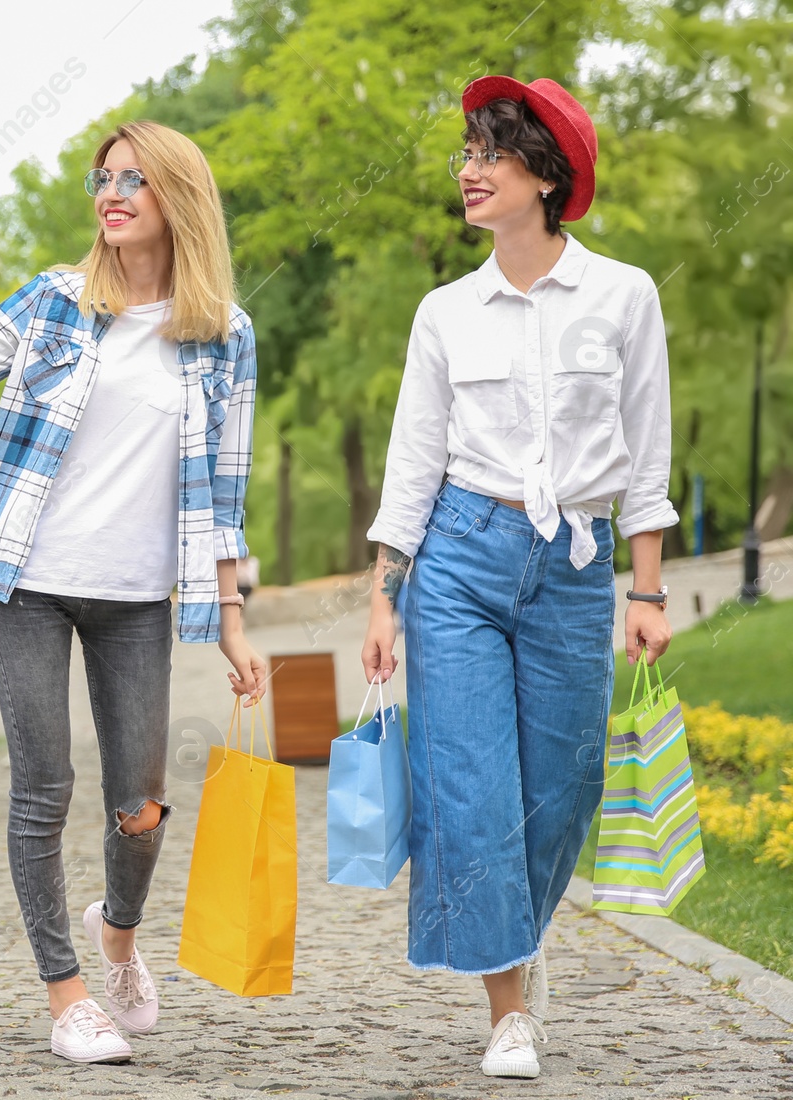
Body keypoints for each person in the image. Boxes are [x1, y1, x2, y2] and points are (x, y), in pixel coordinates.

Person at [0, 119, 264, 1065]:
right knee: (43, 788)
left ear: (177, 199)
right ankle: (66, 993)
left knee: (142, 803)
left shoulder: (222, 336)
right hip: (23, 581)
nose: (111, 195)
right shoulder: (54, 301)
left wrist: (232, 623)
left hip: (134, 600)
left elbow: (226, 496)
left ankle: (118, 936)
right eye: (103, 179)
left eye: (134, 181)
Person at [359, 76, 677, 1080]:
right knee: (468, 786)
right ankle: (506, 1006)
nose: (468, 169)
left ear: (545, 173)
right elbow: (413, 458)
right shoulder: (444, 312)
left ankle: (520, 932)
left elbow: (645, 450)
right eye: (465, 153)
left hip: (575, 570)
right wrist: (383, 591)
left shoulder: (624, 295)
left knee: (563, 787)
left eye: (489, 154)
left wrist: (650, 588)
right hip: (456, 561)